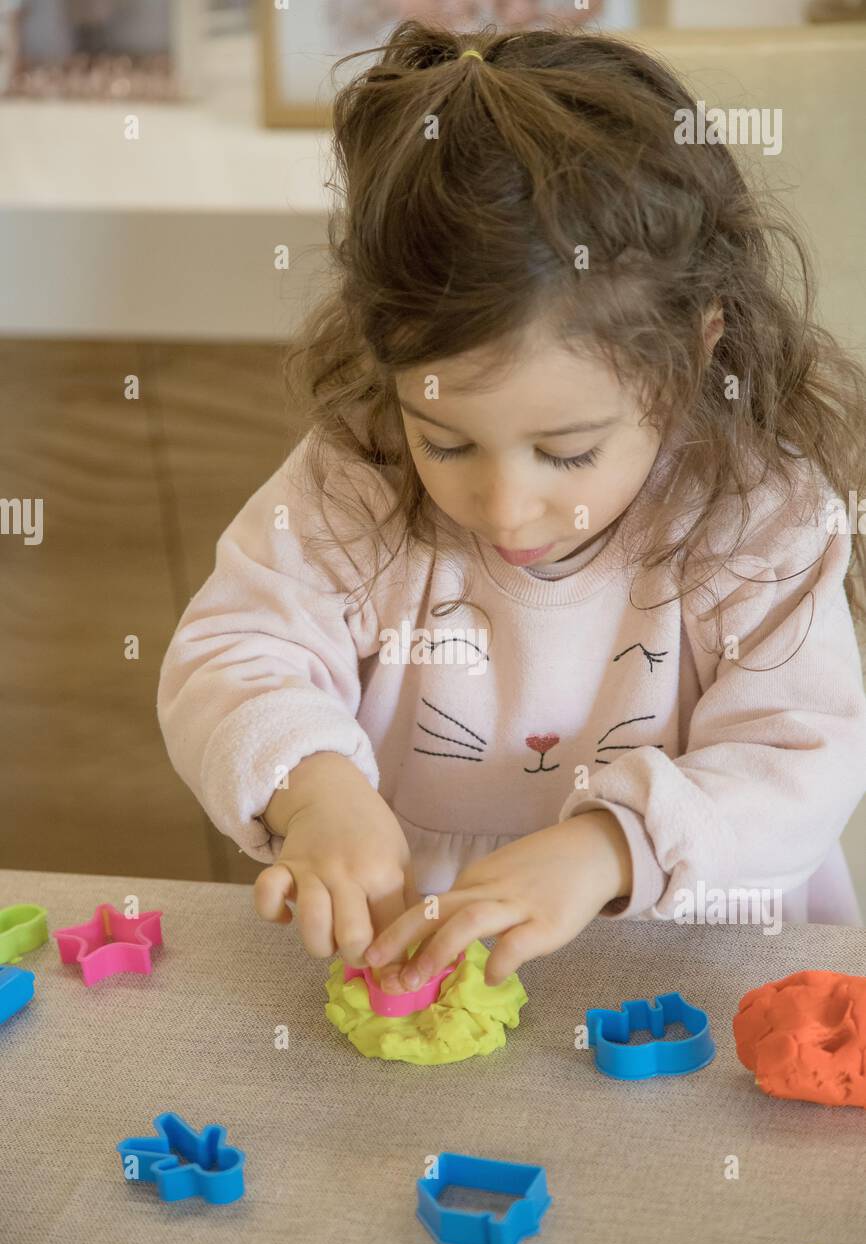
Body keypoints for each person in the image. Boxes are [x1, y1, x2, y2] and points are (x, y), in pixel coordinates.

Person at [158, 23, 866, 994]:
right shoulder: (354, 479)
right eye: (443, 440)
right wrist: (309, 785)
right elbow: (234, 653)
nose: (503, 504)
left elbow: (802, 756)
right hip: (416, 941)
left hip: (691, 948)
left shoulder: (749, 513)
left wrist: (609, 848)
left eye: (567, 451)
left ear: (695, 352)